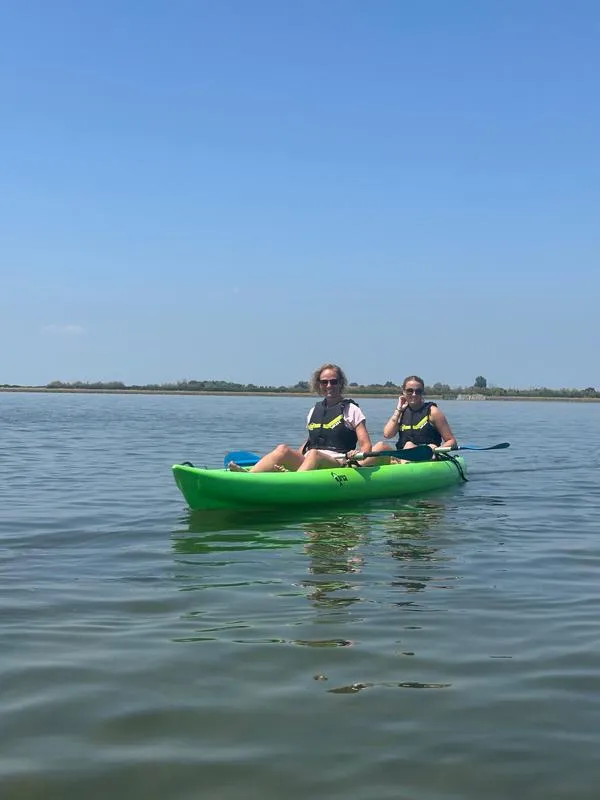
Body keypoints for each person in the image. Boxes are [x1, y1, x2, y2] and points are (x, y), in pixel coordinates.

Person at [228, 363, 373, 472]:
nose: (329, 386)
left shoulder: (351, 410)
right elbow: (311, 441)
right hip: (311, 458)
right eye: (324, 382)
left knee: (314, 454)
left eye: (333, 381)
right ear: (319, 384)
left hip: (338, 462)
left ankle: (294, 481)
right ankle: (249, 476)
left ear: (340, 383)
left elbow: (366, 445)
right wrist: (291, 457)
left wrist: (357, 454)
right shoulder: (314, 410)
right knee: (283, 449)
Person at [366, 375, 457, 463]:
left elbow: (452, 441)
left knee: (409, 445)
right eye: (410, 391)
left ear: (422, 393)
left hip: (426, 456)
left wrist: (435, 450)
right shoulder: (401, 411)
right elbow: (387, 434)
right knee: (381, 445)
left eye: (418, 391)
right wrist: (398, 410)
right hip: (402, 456)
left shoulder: (433, 412)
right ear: (403, 392)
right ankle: (358, 466)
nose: (414, 394)